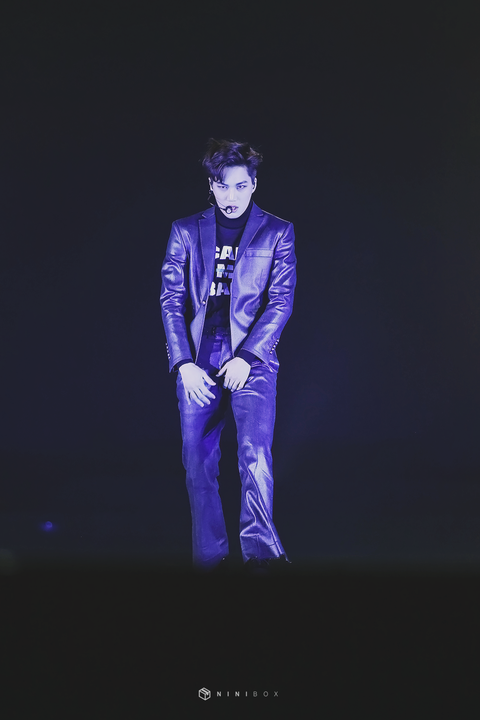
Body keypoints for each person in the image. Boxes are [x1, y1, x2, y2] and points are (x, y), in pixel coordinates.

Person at [160, 138, 296, 572]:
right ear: (211, 186)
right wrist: (183, 365)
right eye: (222, 186)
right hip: (198, 359)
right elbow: (171, 299)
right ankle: (210, 560)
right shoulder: (185, 230)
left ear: (253, 185)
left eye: (240, 185)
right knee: (197, 462)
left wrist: (248, 357)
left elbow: (280, 301)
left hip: (251, 359)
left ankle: (262, 558)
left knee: (255, 455)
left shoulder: (277, 231)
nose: (231, 195)